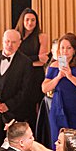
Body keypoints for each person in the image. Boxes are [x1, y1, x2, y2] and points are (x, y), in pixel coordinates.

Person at [16, 7, 50, 141]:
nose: (30, 23)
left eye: (33, 20)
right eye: (27, 20)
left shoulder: (42, 36)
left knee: (34, 112)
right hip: (19, 77)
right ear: (22, 21)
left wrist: (23, 60)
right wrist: (34, 58)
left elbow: (42, 61)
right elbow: (15, 59)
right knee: (20, 109)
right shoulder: (16, 36)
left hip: (35, 77)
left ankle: (36, 143)